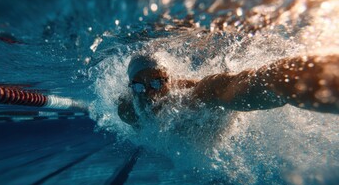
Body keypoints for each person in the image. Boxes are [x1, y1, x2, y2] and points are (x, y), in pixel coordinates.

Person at [118, 54, 339, 127]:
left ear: (168, 80)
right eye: (139, 86)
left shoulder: (187, 97)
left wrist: (282, 81)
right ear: (131, 88)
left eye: (157, 83)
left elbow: (217, 88)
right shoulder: (128, 111)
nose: (149, 92)